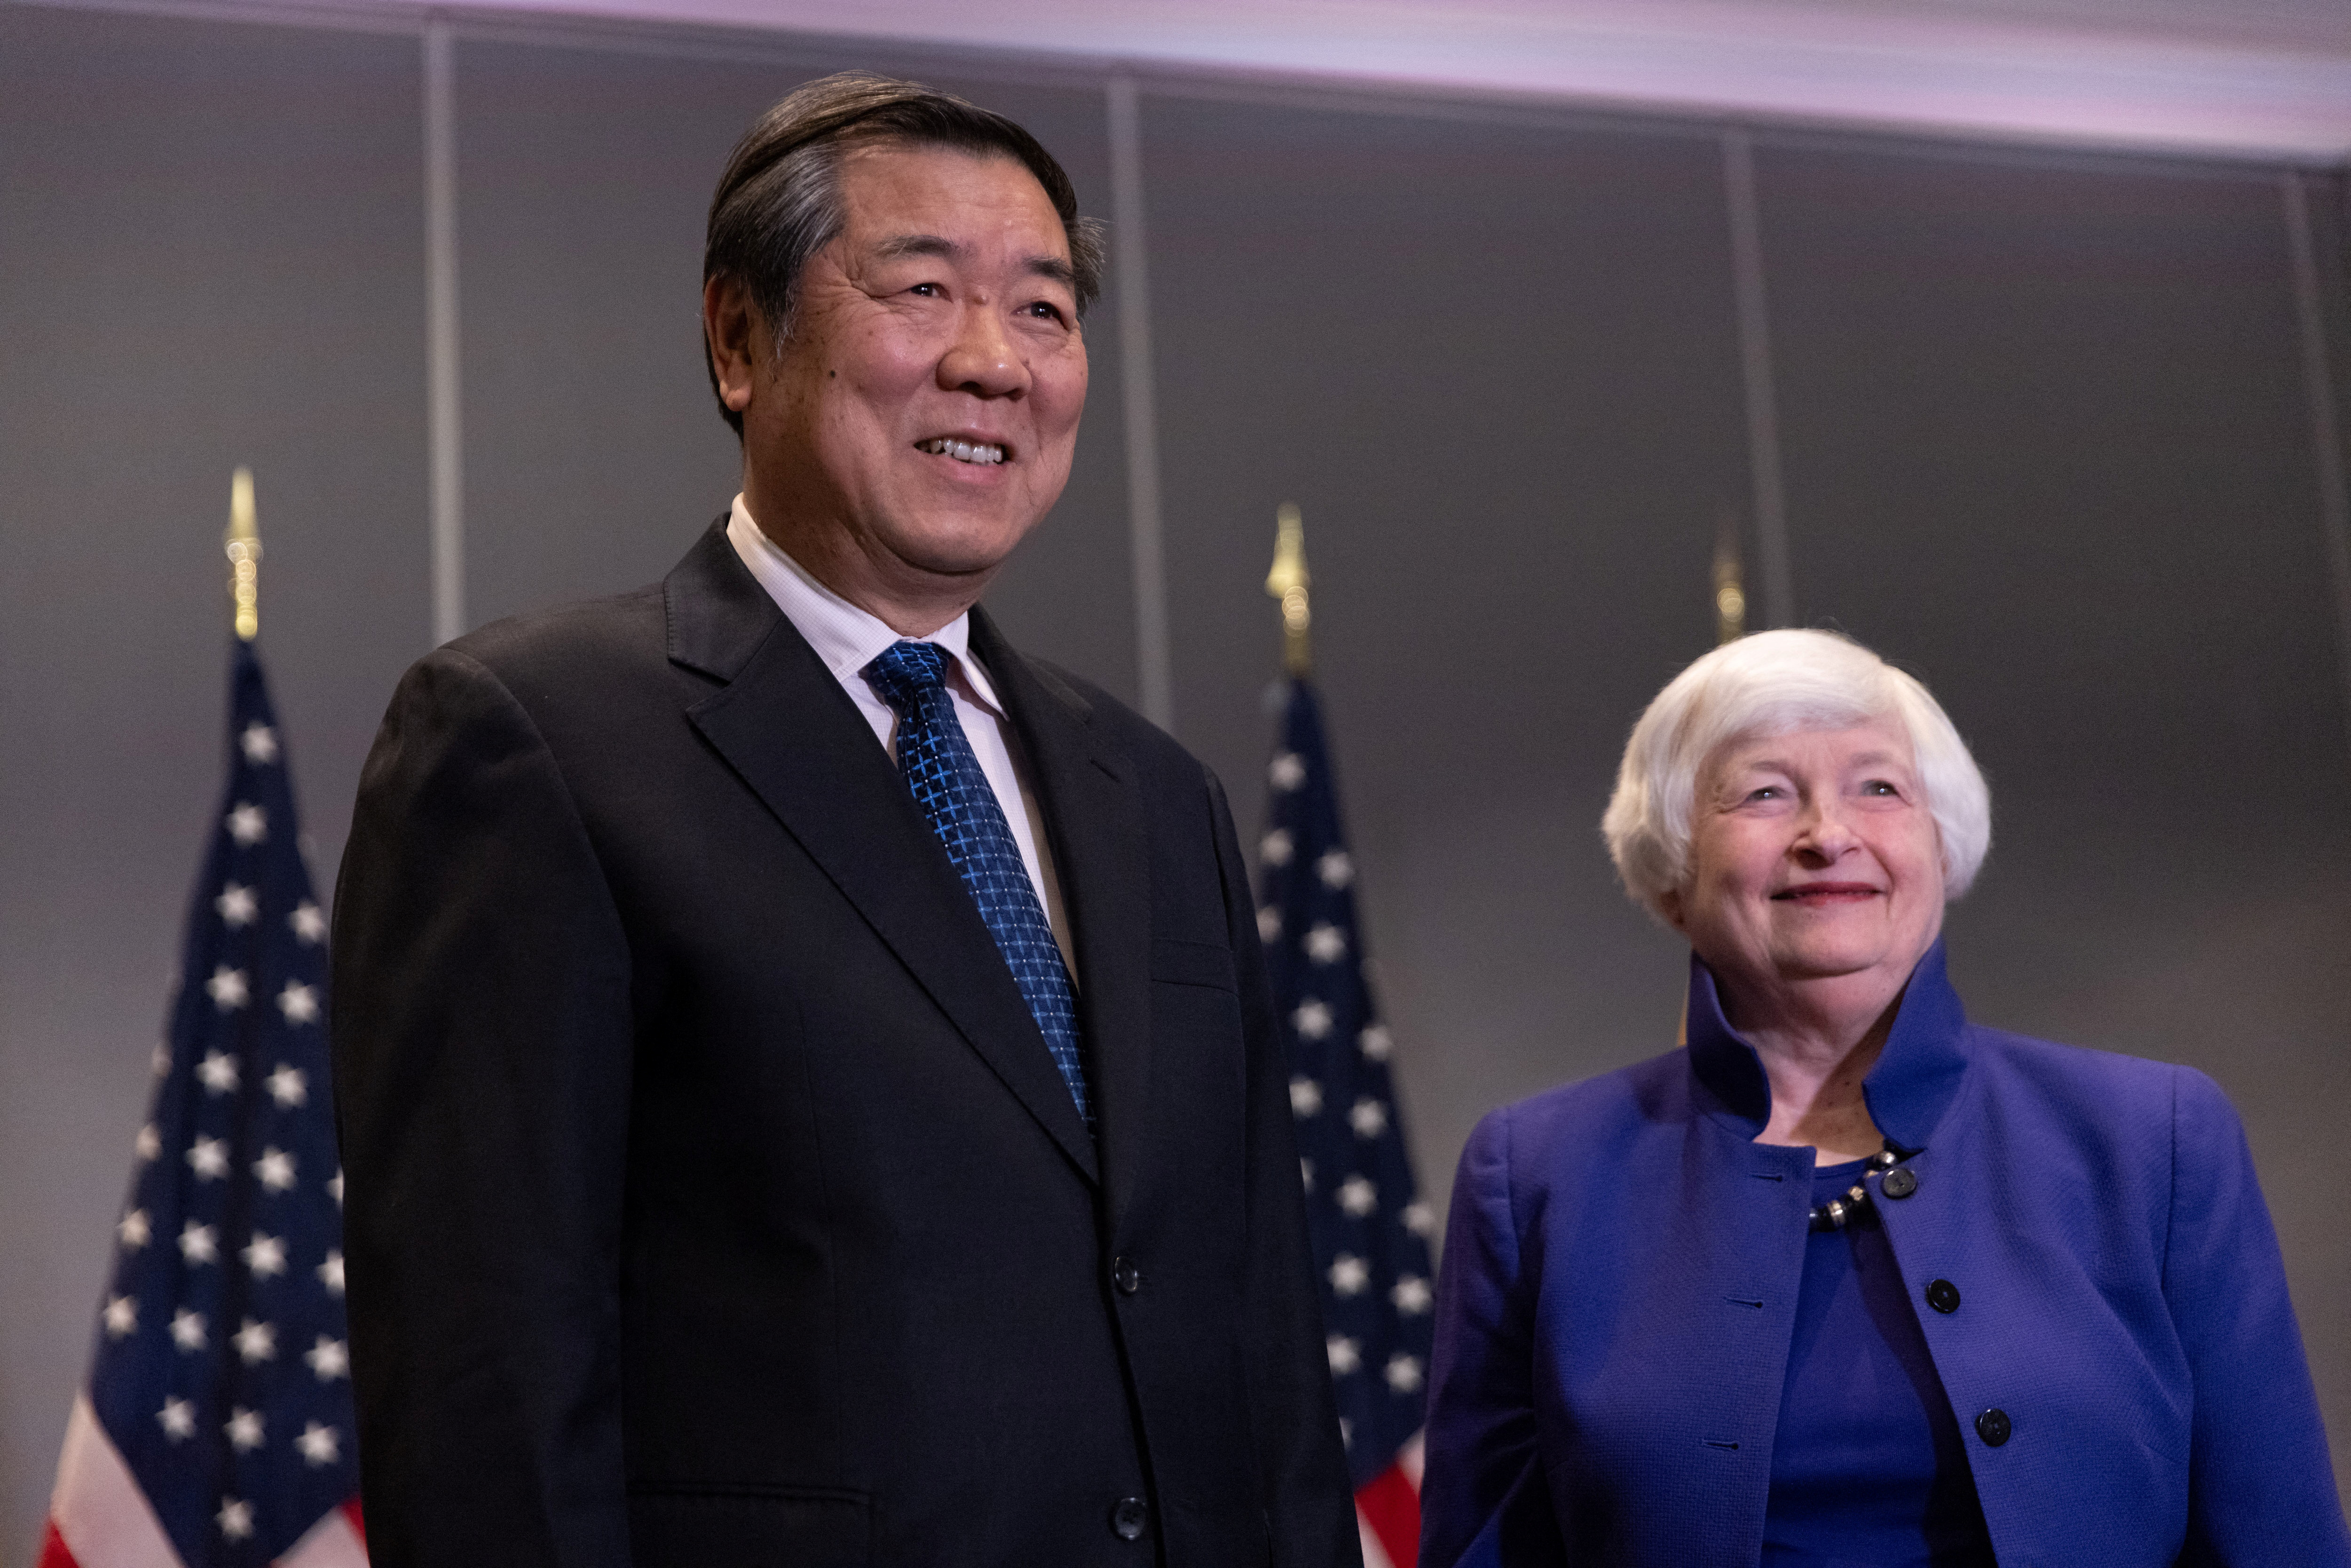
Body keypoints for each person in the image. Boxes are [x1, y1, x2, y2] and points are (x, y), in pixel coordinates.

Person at [331, 73, 1357, 1568]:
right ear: (739, 339)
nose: (992, 362)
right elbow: (484, 1391)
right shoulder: (533, 741)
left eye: (1044, 309)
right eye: (922, 290)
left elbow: (1265, 1348)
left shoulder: (1156, 796)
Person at [1418, 629, 2350, 1567]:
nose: (1828, 836)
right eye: (1764, 794)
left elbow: (2280, 1544)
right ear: (1672, 875)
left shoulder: (2156, 1141)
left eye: (1878, 788)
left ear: (1941, 849)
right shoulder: (1534, 1177)